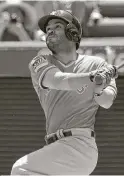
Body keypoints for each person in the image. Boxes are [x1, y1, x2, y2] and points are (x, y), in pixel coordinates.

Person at [10, 10, 118, 175]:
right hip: (55, 147)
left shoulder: (97, 63)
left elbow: (106, 101)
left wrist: (98, 89)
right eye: (47, 29)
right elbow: (59, 80)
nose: (50, 31)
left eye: (57, 26)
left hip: (80, 145)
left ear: (73, 32)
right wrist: (91, 77)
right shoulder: (41, 60)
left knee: (21, 169)